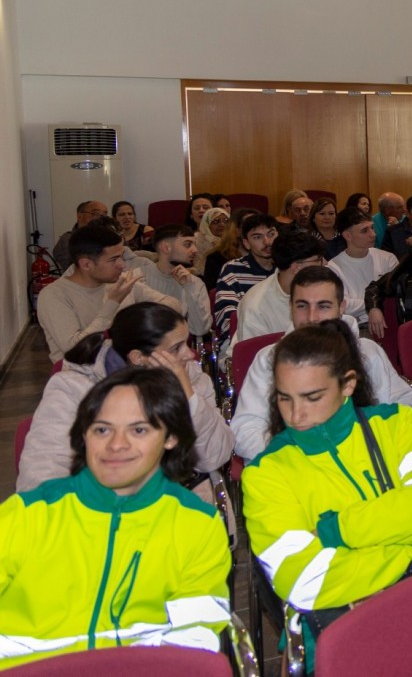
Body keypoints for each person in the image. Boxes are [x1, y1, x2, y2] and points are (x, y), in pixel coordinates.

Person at [243, 320, 412, 667]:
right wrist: (409, 547)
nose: (296, 414)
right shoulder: (265, 473)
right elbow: (304, 580)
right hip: (338, 628)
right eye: (284, 398)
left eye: (312, 397)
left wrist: (334, 531)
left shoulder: (397, 424)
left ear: (348, 385)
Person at [0, 366, 232, 669]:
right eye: (101, 429)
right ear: (83, 435)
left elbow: (192, 644)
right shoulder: (27, 514)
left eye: (139, 430)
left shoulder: (198, 525)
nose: (116, 445)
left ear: (171, 437)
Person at [19, 302, 234, 491]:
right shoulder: (73, 388)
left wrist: (189, 397)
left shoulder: (192, 377)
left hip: (171, 501)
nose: (190, 354)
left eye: (186, 343)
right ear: (138, 358)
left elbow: (214, 456)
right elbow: (43, 470)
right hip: (98, 504)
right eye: (177, 348)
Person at [232, 266, 412, 461]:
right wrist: (306, 454)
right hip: (295, 469)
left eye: (323, 306)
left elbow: (405, 408)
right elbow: (245, 430)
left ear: (341, 307)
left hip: (365, 462)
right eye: (302, 306)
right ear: (290, 307)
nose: (312, 317)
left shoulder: (369, 353)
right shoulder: (268, 359)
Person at [37, 225, 184, 362]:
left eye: (121, 256)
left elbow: (173, 305)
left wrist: (142, 318)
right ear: (86, 264)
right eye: (113, 259)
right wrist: (112, 303)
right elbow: (76, 350)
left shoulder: (120, 282)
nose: (122, 264)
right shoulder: (53, 295)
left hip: (127, 370)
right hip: (80, 380)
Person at [234, 231, 327, 345]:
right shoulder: (256, 306)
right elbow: (253, 358)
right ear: (296, 267)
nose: (324, 264)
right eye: (318, 260)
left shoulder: (318, 289)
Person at [327, 208, 399, 329]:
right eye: (365, 230)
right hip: (357, 327)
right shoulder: (333, 268)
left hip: (389, 321)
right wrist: (374, 304)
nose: (373, 234)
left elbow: (396, 295)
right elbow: (343, 305)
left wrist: (365, 303)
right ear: (348, 235)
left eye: (372, 227)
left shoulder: (387, 258)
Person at [213, 213, 278, 339]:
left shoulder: (288, 268)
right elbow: (227, 320)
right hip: (243, 340)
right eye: (257, 237)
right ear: (246, 243)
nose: (267, 242)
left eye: (271, 234)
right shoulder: (233, 270)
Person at [142, 224, 214, 336]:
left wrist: (190, 288)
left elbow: (200, 330)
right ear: (166, 248)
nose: (195, 250)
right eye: (188, 245)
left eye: (194, 244)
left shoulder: (195, 283)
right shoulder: (137, 278)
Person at [51, 200, 109, 271]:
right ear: (79, 216)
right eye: (95, 213)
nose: (100, 218)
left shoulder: (107, 237)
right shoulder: (67, 239)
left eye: (104, 215)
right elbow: (75, 270)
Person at [193, 206, 231, 277]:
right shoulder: (196, 240)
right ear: (206, 224)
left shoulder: (234, 241)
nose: (222, 224)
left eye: (226, 221)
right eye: (216, 221)